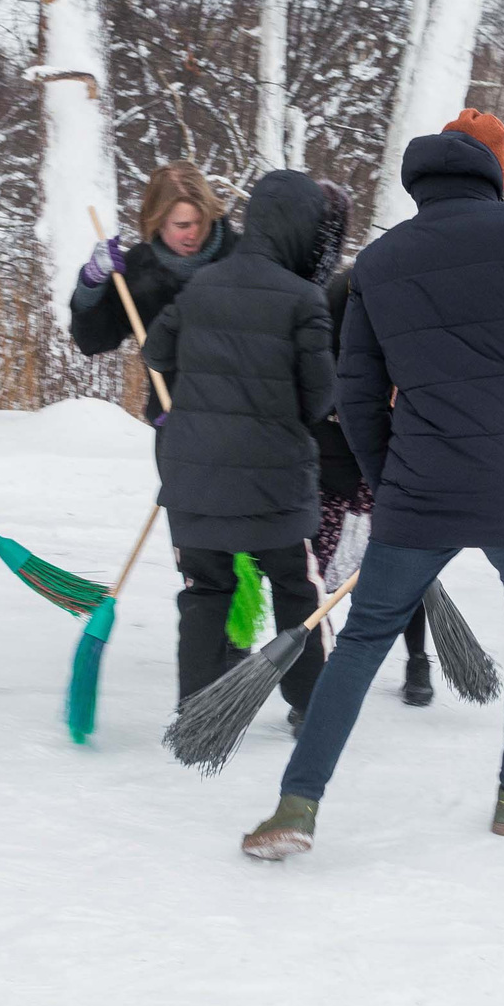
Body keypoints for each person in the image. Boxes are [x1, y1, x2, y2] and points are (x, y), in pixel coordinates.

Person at [241, 109, 504, 859]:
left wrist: (391, 482)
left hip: (421, 481)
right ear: (494, 173)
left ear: (423, 183)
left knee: (362, 643)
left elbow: (355, 396)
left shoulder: (379, 265)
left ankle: (297, 804)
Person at [145, 171, 342, 714]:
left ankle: (199, 711)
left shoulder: (202, 283)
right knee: (294, 588)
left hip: (195, 477)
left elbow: (156, 353)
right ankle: (307, 703)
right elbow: (320, 398)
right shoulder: (305, 299)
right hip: (273, 481)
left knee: (206, 590)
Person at [316, 266, 432, 704]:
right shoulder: (326, 330)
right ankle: (320, 657)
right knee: (316, 569)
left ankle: (418, 660)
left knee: (403, 570)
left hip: (387, 465)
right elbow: (317, 398)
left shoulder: (400, 330)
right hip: (331, 470)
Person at [70, 162, 232, 421]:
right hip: (174, 422)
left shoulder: (243, 259)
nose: (193, 234)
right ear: (157, 222)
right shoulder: (138, 270)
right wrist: (91, 283)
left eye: (200, 222)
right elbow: (92, 340)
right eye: (182, 225)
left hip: (243, 422)